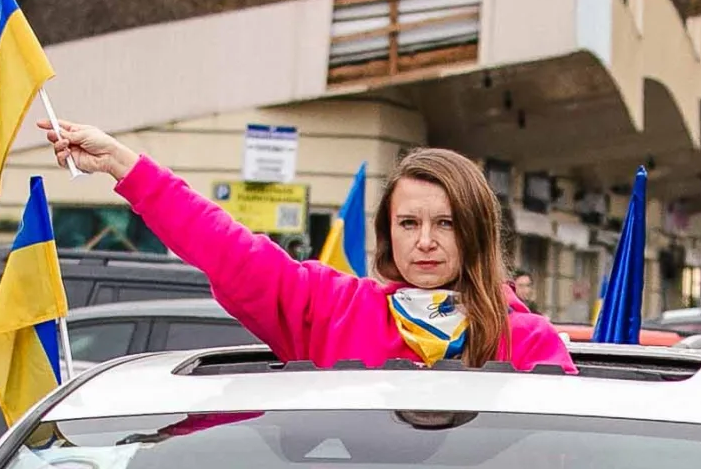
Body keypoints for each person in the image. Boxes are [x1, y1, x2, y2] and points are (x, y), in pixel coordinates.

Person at [42, 120, 574, 372]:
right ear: (388, 232)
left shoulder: (530, 342)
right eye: (409, 223)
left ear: (477, 231)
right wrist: (123, 166)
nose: (427, 242)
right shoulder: (331, 308)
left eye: (447, 224)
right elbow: (227, 248)